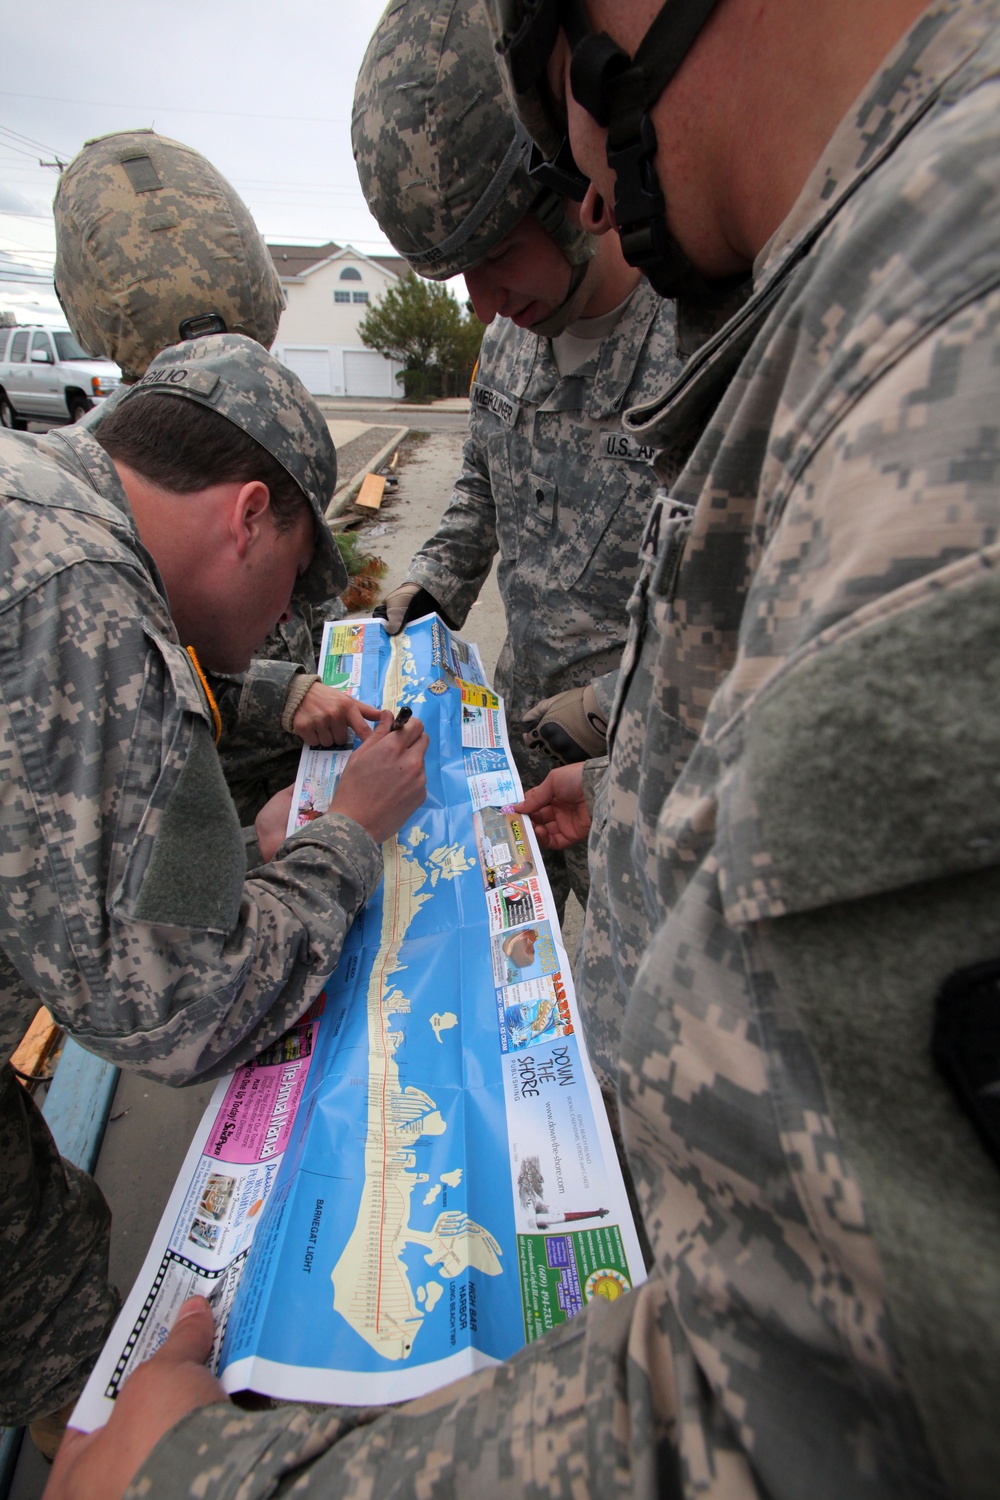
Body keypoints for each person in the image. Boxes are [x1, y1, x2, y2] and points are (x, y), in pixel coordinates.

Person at [43, 0, 1000, 1495]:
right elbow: (539, 544)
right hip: (574, 760)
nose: (485, 303)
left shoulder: (839, 325)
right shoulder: (809, 292)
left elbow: (828, 1383)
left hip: (593, 747)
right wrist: (430, 635)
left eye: (498, 249)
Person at [0, 333, 427, 1453]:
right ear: (246, 515)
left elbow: (83, 797)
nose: (291, 615)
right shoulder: (84, 596)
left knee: (43, 1261)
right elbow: (181, 1008)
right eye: (294, 580)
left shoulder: (44, 498)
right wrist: (347, 835)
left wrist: (264, 740)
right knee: (55, 1319)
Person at [352, 0, 684, 916]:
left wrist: (610, 713)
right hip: (520, 755)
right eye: (460, 276)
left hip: (646, 767)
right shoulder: (507, 345)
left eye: (499, 255)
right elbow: (477, 498)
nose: (484, 304)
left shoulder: (689, 347)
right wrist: (421, 596)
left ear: (573, 194)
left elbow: (740, 616)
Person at [53, 128, 369, 824]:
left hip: (284, 799)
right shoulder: (79, 568)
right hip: (227, 820)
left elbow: (300, 599)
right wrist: (340, 836)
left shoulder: (104, 496)